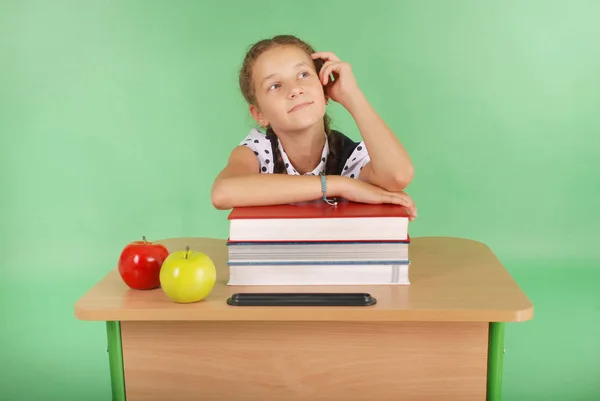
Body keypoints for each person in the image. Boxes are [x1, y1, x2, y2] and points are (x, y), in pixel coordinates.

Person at [211, 34, 417, 221]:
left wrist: (352, 95)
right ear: (260, 114)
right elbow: (222, 193)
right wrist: (339, 185)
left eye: (303, 75)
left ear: (324, 89)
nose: (295, 90)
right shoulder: (257, 152)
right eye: (275, 85)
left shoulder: (348, 157)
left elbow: (397, 176)